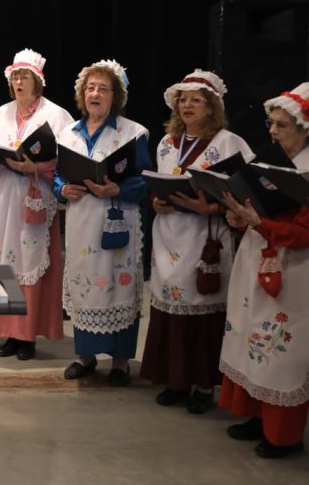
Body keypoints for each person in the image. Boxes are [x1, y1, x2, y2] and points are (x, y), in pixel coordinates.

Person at [139, 70, 254, 413]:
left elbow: (248, 194)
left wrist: (212, 206)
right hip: (169, 236)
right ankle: (175, 381)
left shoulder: (228, 143)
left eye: (196, 99)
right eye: (182, 99)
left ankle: (203, 385)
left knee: (202, 309)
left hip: (205, 240)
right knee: (169, 307)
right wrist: (155, 201)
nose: (187, 104)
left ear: (212, 107)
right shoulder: (165, 143)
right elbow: (158, 183)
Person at [218, 82, 309, 459]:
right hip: (257, 256)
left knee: (280, 351)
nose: (272, 131)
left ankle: (284, 436)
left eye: (281, 125)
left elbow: (305, 232)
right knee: (249, 337)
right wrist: (240, 218)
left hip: (295, 270)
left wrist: (259, 222)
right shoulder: (271, 160)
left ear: (305, 127)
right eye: (271, 123)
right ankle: (255, 414)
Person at [53, 59, 151, 386]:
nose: (95, 94)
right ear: (82, 94)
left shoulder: (133, 133)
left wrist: (118, 189)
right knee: (85, 287)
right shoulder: (67, 133)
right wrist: (62, 188)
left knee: (118, 287)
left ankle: (121, 362)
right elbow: (56, 175)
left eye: (103, 89)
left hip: (118, 221)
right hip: (81, 221)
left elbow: (147, 180)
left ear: (115, 96)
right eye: (90, 88)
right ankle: (85, 356)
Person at [0, 49, 73, 360]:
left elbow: (69, 164)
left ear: (37, 82)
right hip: (4, 196)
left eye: (25, 77)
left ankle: (27, 335)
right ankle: (7, 332)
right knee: (3, 261)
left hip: (35, 196)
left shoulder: (56, 115)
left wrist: (34, 167)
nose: (19, 82)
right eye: (15, 77)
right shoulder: (2, 112)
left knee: (30, 262)